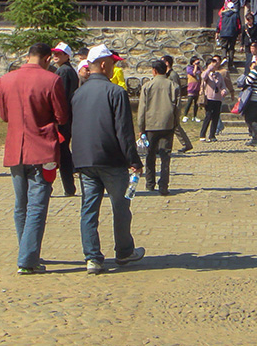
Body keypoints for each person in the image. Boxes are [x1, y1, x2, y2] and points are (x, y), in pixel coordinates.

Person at [71, 44, 145, 275]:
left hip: (85, 160)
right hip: (112, 159)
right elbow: (124, 130)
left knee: (89, 209)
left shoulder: (77, 94)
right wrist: (133, 159)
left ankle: (92, 257)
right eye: (113, 63)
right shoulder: (116, 92)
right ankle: (123, 251)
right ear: (103, 64)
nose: (115, 67)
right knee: (121, 206)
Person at [0, 43, 69, 274]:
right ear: (48, 58)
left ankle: (26, 249)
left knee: (21, 205)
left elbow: (4, 115)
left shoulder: (6, 80)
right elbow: (62, 115)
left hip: (16, 149)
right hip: (42, 148)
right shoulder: (51, 80)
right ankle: (27, 259)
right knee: (37, 204)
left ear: (27, 56)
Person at [137, 59, 181, 196]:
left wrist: (141, 127)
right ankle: (164, 186)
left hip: (151, 125)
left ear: (154, 71)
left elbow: (142, 108)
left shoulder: (147, 86)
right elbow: (177, 107)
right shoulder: (173, 86)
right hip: (167, 124)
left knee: (150, 155)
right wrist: (175, 122)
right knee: (165, 156)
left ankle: (150, 183)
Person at [51, 41, 79, 197]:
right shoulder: (65, 70)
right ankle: (68, 186)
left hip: (64, 118)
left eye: (59, 54)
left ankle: (68, 186)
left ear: (66, 56)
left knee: (61, 152)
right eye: (54, 53)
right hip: (67, 117)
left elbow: (60, 97)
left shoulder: (64, 71)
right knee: (62, 152)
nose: (56, 56)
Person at [162, 55, 194, 153]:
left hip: (172, 103)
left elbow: (176, 90)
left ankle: (186, 144)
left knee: (175, 126)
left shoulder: (173, 75)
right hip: (167, 102)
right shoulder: (166, 75)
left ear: (167, 63)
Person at [199, 55, 233, 142]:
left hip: (218, 98)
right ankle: (202, 134)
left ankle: (212, 135)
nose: (214, 67)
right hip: (209, 98)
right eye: (213, 65)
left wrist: (224, 91)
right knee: (208, 115)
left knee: (216, 116)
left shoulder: (219, 75)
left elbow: (223, 85)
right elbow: (203, 76)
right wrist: (209, 69)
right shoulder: (207, 74)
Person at [216, 1, 241, 67]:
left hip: (223, 32)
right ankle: (230, 62)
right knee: (231, 48)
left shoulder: (222, 14)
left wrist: (217, 32)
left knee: (224, 46)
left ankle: (224, 57)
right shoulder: (236, 15)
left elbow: (219, 24)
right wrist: (239, 33)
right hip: (233, 33)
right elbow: (238, 25)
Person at [182, 56, 202, 124]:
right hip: (191, 87)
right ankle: (185, 115)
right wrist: (195, 66)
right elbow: (193, 73)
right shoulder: (189, 68)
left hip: (197, 86)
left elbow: (202, 73)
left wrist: (200, 66)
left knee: (196, 103)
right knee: (189, 101)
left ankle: (195, 116)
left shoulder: (199, 68)